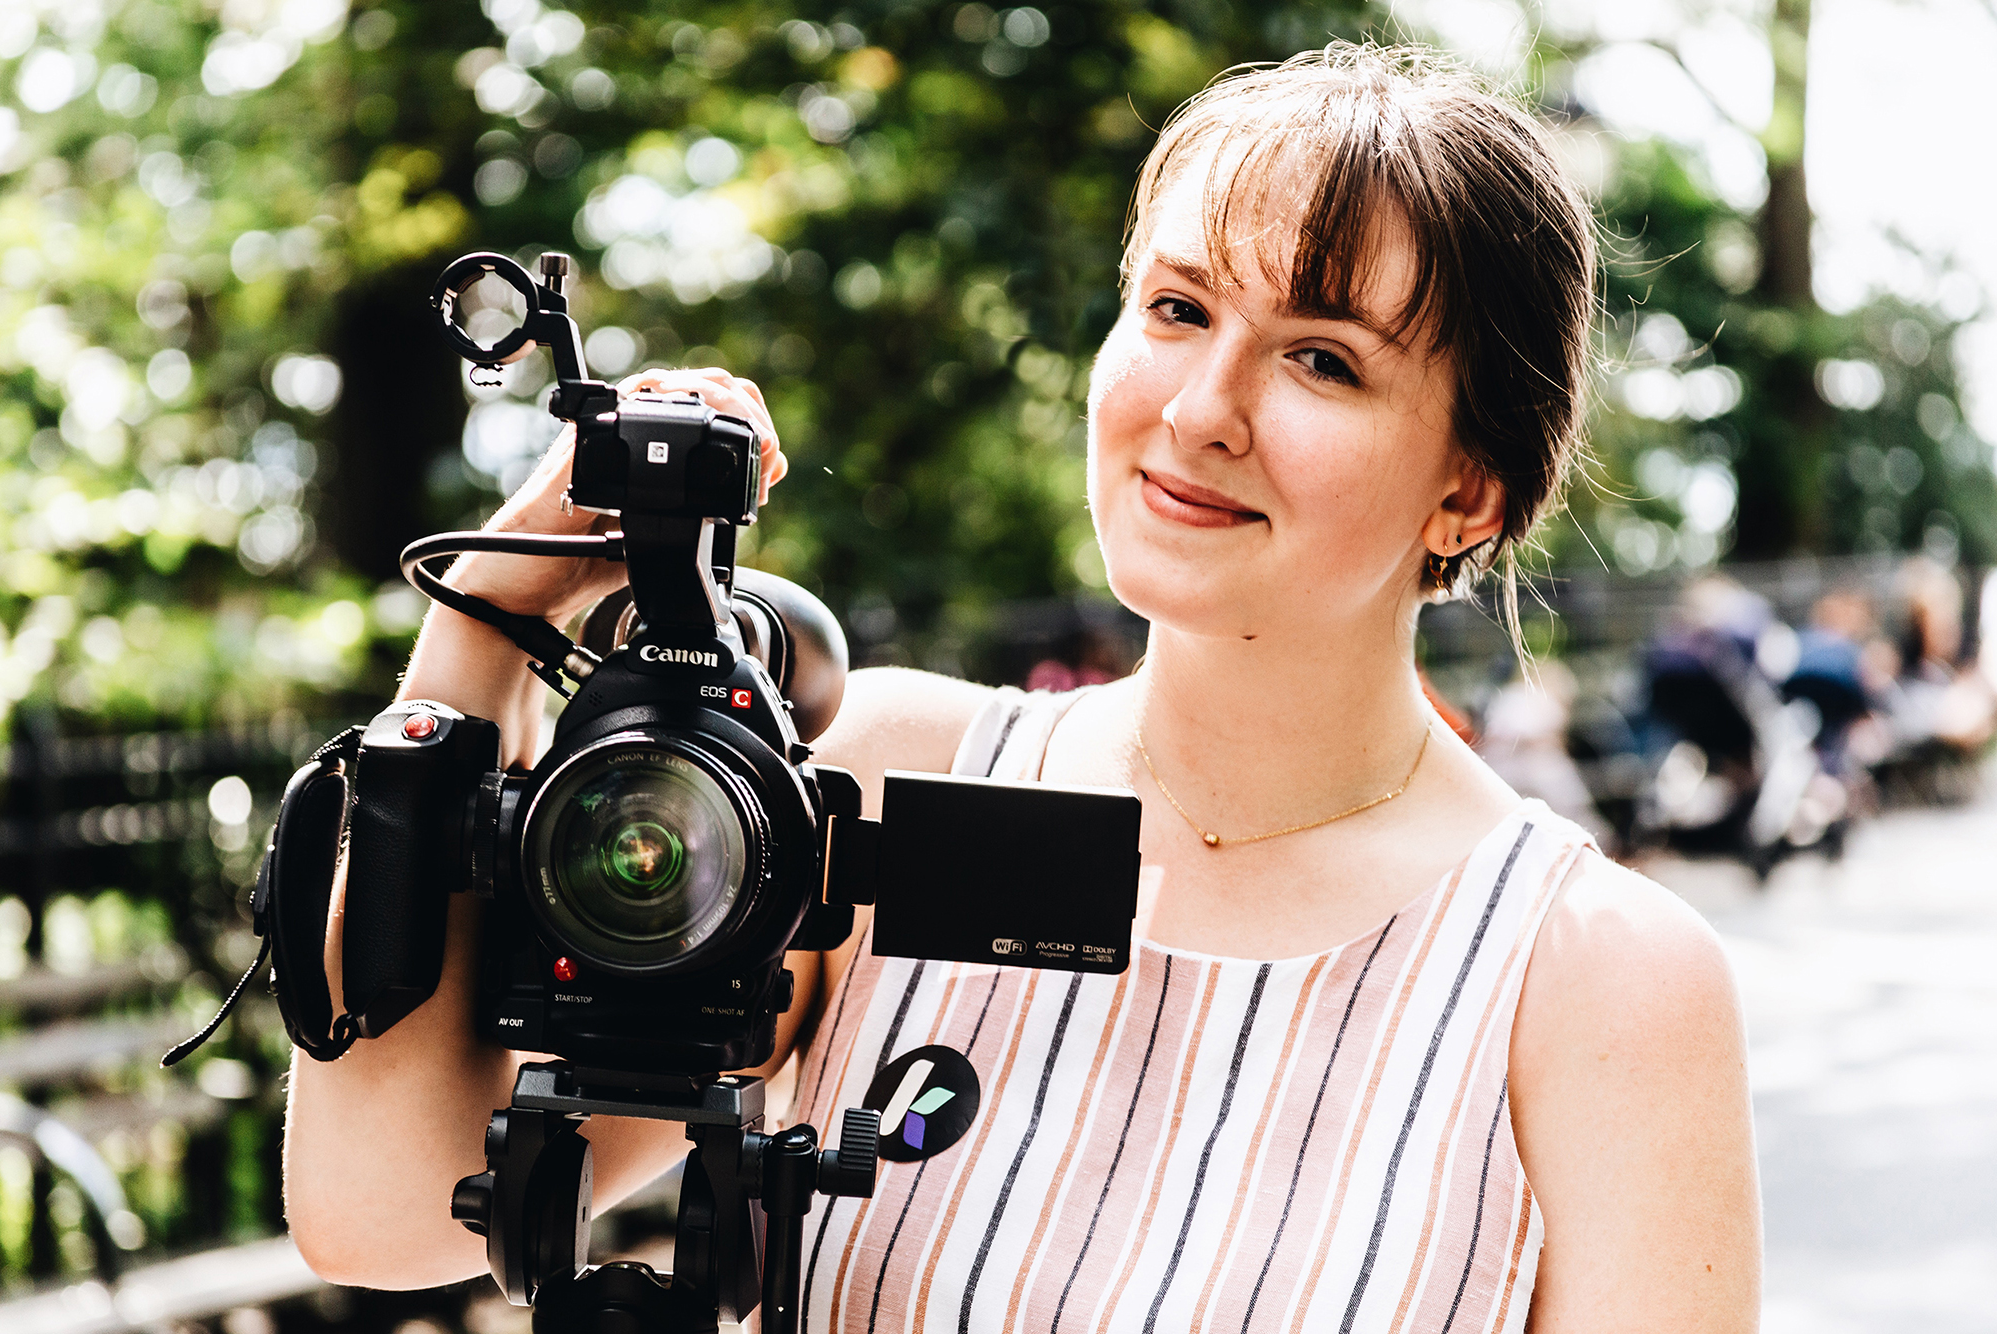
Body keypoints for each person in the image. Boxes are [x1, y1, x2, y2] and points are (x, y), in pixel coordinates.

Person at [285, 44, 1761, 1331]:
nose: (1199, 413)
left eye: (1319, 358)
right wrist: (481, 621)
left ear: (1472, 490)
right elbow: (387, 1209)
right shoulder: (878, 778)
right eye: (1178, 309)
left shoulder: (1594, 984)